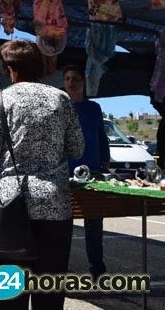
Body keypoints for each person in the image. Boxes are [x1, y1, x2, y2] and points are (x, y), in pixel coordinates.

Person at [0, 40, 84, 310]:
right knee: (50, 288)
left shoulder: (3, 99)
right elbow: (78, 148)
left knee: (11, 292)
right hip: (54, 204)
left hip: (11, 206)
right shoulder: (60, 98)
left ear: (12, 69)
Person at [62, 64, 109, 279]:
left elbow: (101, 138)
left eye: (76, 78)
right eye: (68, 78)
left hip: (93, 173)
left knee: (94, 225)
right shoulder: (60, 108)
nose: (72, 82)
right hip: (65, 173)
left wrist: (105, 163)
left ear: (83, 82)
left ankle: (97, 270)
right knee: (63, 225)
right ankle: (59, 267)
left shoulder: (94, 109)